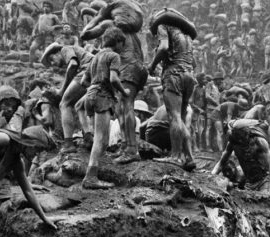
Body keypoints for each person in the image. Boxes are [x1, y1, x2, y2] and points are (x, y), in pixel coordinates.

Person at [80, 0, 147, 164]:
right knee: (122, 107)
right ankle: (125, 146)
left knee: (126, 106)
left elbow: (85, 35)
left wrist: (98, 17)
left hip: (127, 67)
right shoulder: (132, 33)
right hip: (137, 68)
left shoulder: (109, 25)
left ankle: (131, 149)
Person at [81, 27, 129, 189]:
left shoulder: (96, 57)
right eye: (123, 44)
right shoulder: (114, 56)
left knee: (103, 138)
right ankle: (90, 176)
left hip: (90, 95)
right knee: (100, 138)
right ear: (118, 42)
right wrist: (124, 91)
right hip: (103, 97)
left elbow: (83, 82)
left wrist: (95, 86)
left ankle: (95, 169)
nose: (123, 47)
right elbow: (114, 79)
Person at [148, 14, 197, 170]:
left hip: (174, 75)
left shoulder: (163, 27)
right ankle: (189, 157)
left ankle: (175, 156)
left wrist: (152, 65)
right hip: (189, 76)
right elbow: (193, 62)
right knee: (181, 118)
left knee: (174, 116)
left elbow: (163, 48)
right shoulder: (187, 35)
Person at [211, 119, 270, 192]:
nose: (241, 140)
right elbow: (221, 162)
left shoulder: (259, 141)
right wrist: (211, 177)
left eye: (243, 136)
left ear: (247, 133)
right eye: (238, 137)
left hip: (263, 180)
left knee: (265, 199)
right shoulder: (233, 142)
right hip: (248, 183)